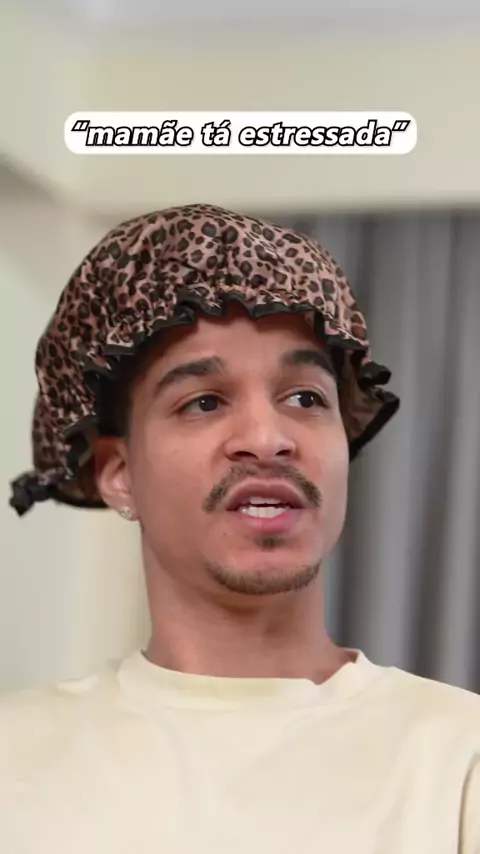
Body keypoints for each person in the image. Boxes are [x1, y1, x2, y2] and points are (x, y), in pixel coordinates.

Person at [2, 203, 479, 853]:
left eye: (305, 398)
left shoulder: (458, 760)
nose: (267, 437)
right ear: (120, 475)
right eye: (203, 401)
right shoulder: (15, 760)